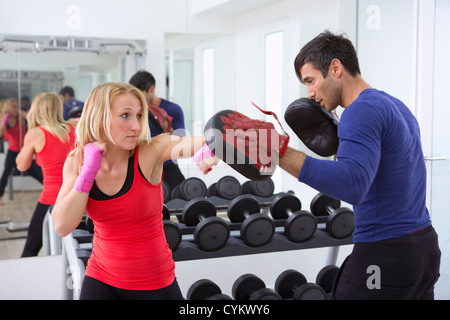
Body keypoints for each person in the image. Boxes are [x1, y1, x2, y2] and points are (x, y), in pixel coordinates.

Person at [281, 31, 440, 299]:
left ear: (335, 68)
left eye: (310, 81)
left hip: (384, 255)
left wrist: (279, 154)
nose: (309, 94)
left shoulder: (359, 111)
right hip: (423, 250)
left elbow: (351, 184)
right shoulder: (394, 105)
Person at [52, 82, 205, 300]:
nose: (136, 126)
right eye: (125, 115)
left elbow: (194, 142)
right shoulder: (77, 161)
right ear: (99, 118)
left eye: (139, 115)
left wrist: (214, 145)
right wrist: (87, 173)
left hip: (152, 281)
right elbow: (62, 225)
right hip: (101, 276)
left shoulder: (150, 151)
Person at [16, 92, 76, 257]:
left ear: (37, 110)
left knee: (31, 248)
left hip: (51, 199)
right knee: (72, 248)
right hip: (76, 197)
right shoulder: (73, 128)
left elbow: (22, 166)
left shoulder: (36, 133)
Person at [129, 70, 186, 190]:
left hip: (168, 166)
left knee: (181, 198)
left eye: (140, 94)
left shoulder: (173, 109)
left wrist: (166, 126)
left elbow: (182, 141)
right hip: (143, 167)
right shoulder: (136, 111)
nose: (137, 98)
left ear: (151, 90)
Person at [0, 98, 43, 205]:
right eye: (13, 107)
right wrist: (4, 121)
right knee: (6, 173)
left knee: (35, 172)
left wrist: (19, 112)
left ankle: (51, 189)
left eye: (17, 106)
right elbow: (1, 134)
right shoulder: (4, 118)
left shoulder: (21, 117)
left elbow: (31, 117)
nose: (16, 109)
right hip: (12, 151)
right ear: (8, 108)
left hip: (24, 151)